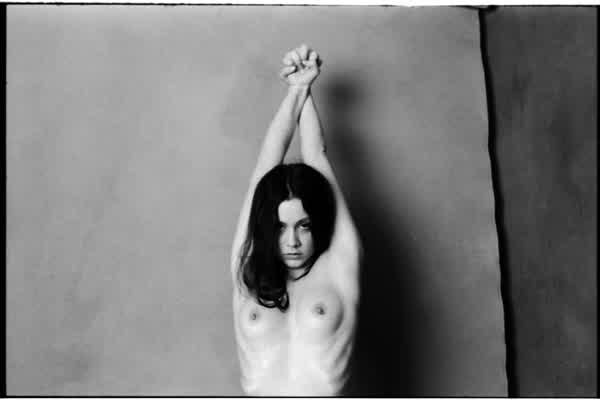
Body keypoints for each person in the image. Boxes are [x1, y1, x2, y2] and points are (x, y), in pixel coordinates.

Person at [230, 44, 362, 396]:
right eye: (280, 228)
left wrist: (304, 86)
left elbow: (316, 156)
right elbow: (265, 167)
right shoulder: (247, 266)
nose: (292, 242)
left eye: (304, 226)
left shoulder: (339, 265)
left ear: (318, 224)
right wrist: (294, 91)